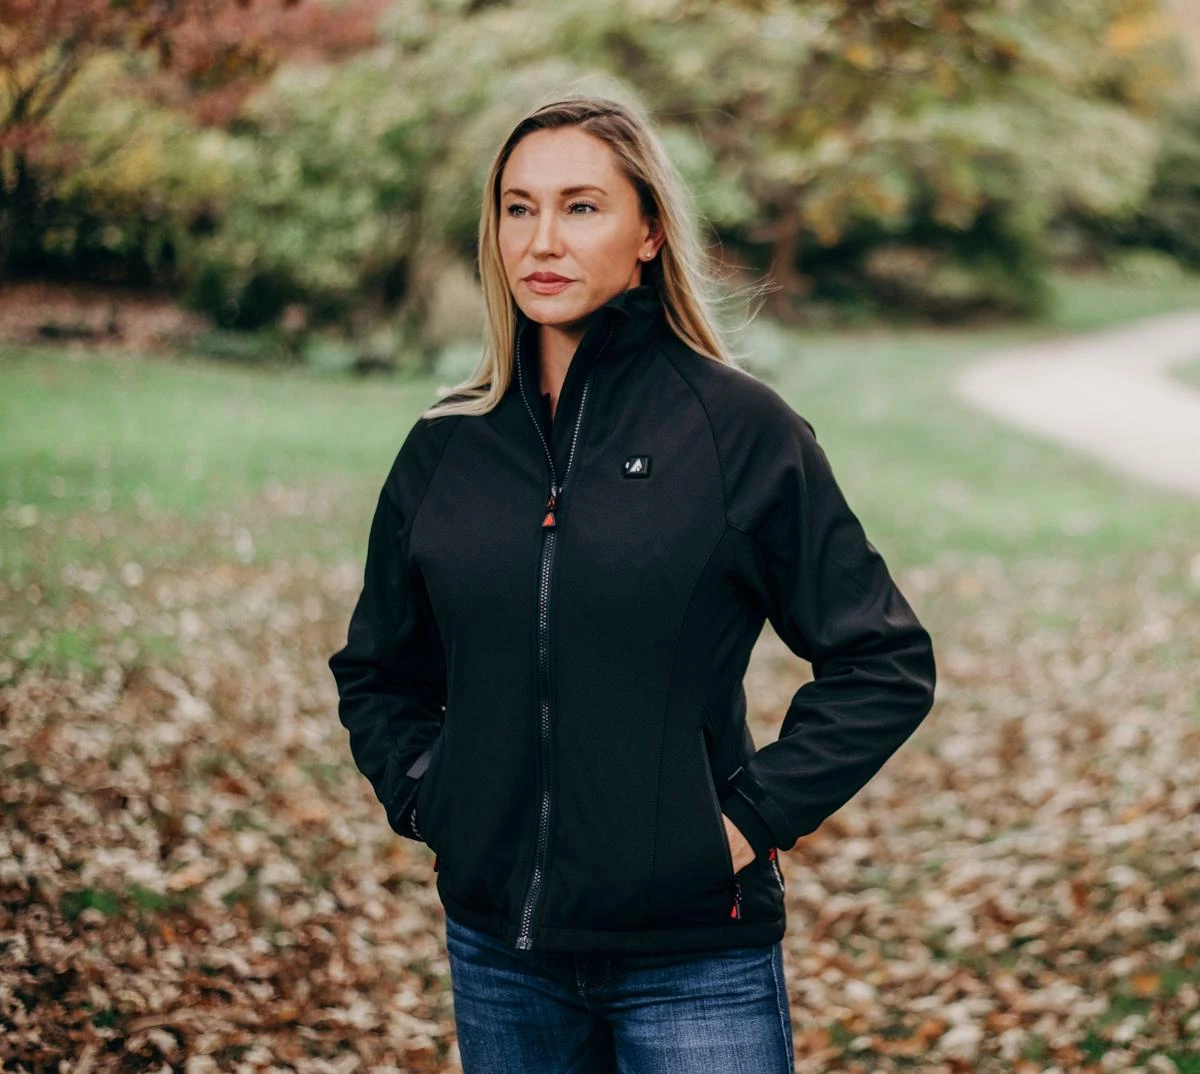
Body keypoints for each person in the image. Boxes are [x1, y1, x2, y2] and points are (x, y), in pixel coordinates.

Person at [328, 92, 937, 1074]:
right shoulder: (446, 447)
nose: (542, 240)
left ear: (649, 231)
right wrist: (434, 799)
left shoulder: (739, 433)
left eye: (581, 206)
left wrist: (737, 828)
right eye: (519, 208)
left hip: (693, 959)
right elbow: (378, 671)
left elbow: (883, 662)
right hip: (500, 955)